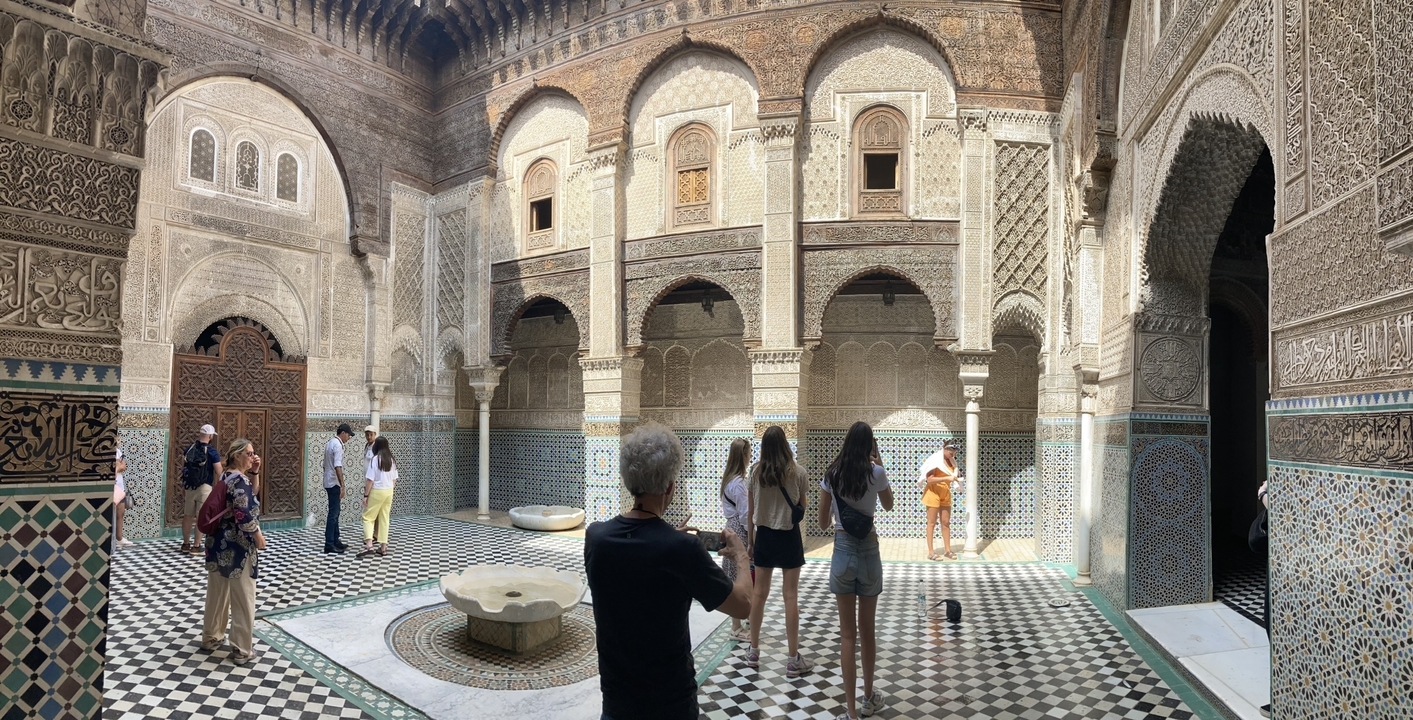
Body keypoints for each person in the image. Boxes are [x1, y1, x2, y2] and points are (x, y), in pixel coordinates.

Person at [584, 422, 752, 720]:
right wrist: (740, 555)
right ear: (670, 487)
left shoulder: (596, 538)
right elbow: (743, 605)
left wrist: (667, 538)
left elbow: (636, 557)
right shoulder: (682, 549)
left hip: (617, 703)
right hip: (670, 705)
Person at [819, 421, 894, 720]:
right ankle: (868, 698)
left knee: (847, 636)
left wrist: (838, 512)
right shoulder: (876, 473)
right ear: (869, 446)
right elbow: (888, 505)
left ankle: (850, 713)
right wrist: (879, 460)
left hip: (842, 551)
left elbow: (822, 523)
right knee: (868, 630)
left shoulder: (832, 474)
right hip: (869, 552)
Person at [745, 425, 814, 677]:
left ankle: (753, 651)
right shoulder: (798, 472)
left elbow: (751, 512)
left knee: (759, 594)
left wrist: (750, 542)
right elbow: (802, 507)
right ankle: (793, 658)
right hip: (788, 537)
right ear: (785, 445)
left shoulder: (755, 473)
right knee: (790, 596)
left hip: (764, 536)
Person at [202, 438, 266, 665]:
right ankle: (241, 649)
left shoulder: (226, 476)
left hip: (217, 543)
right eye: (249, 453)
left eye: (253, 453)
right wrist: (257, 535)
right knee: (243, 597)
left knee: (217, 593)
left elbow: (251, 493)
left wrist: (255, 472)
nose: (253, 456)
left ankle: (211, 636)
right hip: (238, 547)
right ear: (237, 455)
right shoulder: (240, 480)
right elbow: (242, 512)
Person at [719, 437, 753, 641]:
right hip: (739, 530)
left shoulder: (729, 480)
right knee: (739, 575)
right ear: (743, 456)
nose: (750, 457)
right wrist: (751, 538)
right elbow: (745, 514)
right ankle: (736, 627)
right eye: (749, 453)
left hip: (731, 527)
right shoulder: (738, 483)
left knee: (736, 575)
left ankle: (745, 617)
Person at [180, 424, 223, 556]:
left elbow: (184, 468)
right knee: (201, 517)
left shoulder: (189, 449)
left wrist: (185, 484)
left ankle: (185, 544)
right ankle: (196, 546)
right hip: (205, 487)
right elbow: (219, 472)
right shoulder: (212, 452)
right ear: (210, 436)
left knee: (188, 516)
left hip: (189, 486)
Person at [918, 444, 960, 560]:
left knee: (946, 522)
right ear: (944, 449)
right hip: (933, 492)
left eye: (954, 452)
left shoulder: (952, 462)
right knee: (932, 522)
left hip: (945, 493)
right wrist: (946, 478)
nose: (952, 454)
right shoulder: (935, 460)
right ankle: (931, 552)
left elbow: (952, 474)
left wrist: (956, 477)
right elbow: (929, 479)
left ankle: (948, 550)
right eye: (951, 452)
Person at [358, 436, 397, 558]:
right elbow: (394, 480)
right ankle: (383, 548)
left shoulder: (375, 459)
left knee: (368, 517)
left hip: (377, 491)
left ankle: (369, 545)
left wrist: (366, 495)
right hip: (389, 491)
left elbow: (370, 480)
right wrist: (389, 489)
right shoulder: (391, 460)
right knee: (384, 519)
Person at [322, 424, 354, 554]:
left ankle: (335, 540)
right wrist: (342, 485)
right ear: (343, 433)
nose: (349, 438)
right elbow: (337, 466)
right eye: (348, 435)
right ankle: (329, 544)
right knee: (333, 514)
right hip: (334, 483)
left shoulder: (330, 443)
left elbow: (324, 465)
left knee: (335, 512)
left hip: (328, 481)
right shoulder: (338, 445)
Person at [113, 448, 133, 548]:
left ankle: (119, 538)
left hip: (119, 488)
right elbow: (119, 467)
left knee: (120, 513)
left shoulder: (117, 451)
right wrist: (118, 467)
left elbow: (123, 466)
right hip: (114, 487)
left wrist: (120, 466)